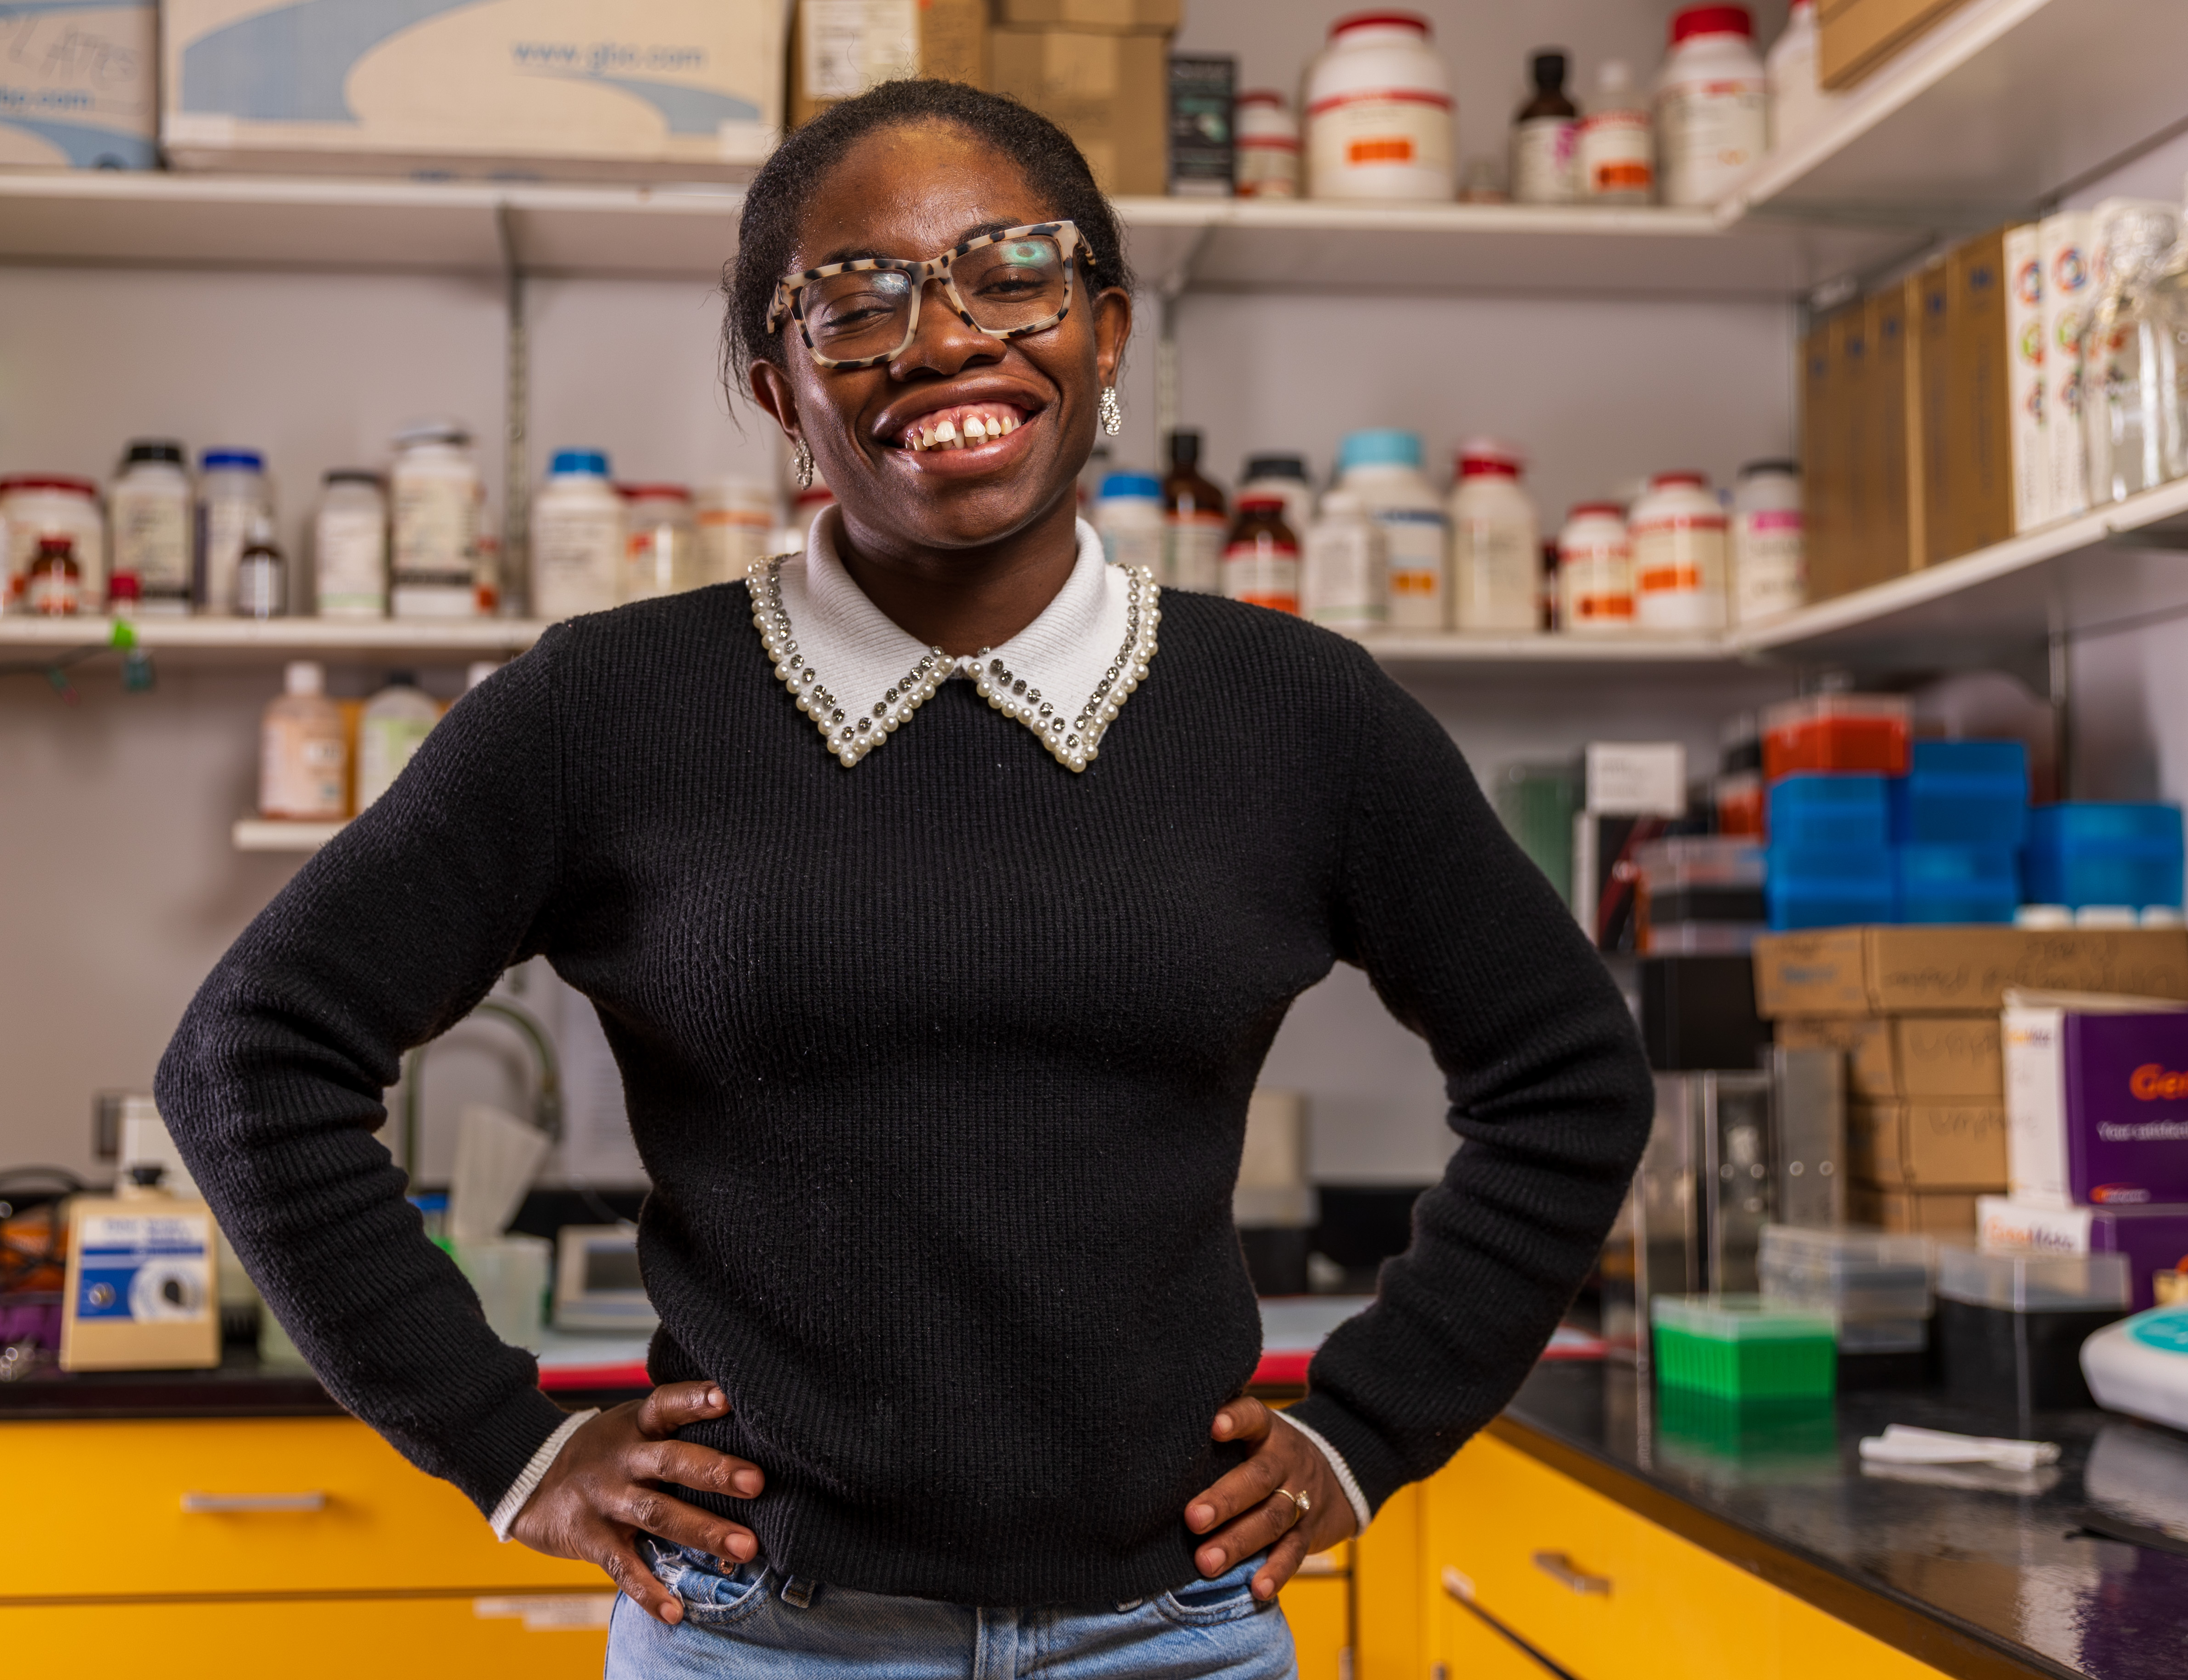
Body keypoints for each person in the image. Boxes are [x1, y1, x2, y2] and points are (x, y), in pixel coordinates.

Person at [157, 79, 1649, 1678]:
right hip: (756, 1635)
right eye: (855, 304)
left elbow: (1564, 1077)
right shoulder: (607, 706)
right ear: (780, 396)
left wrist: (1366, 1428)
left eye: (1012, 271)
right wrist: (504, 1443)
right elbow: (252, 1059)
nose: (946, 340)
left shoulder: (1298, 711)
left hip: (1176, 1636)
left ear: (1106, 329)